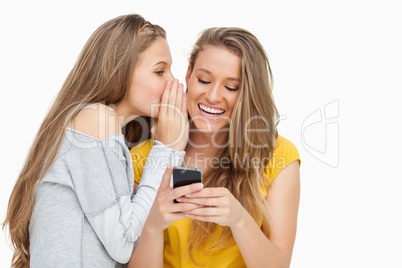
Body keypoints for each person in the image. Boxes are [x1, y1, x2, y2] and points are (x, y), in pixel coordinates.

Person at [2, 14, 200, 267]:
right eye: (160, 70)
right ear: (118, 75)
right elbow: (124, 242)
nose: (173, 81)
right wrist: (166, 148)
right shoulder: (95, 119)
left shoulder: (110, 132)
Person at [128, 27, 301, 268]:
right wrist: (153, 226)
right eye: (204, 80)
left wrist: (239, 220)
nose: (212, 95)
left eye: (231, 87)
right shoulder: (143, 157)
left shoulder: (279, 157)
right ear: (188, 75)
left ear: (249, 94)